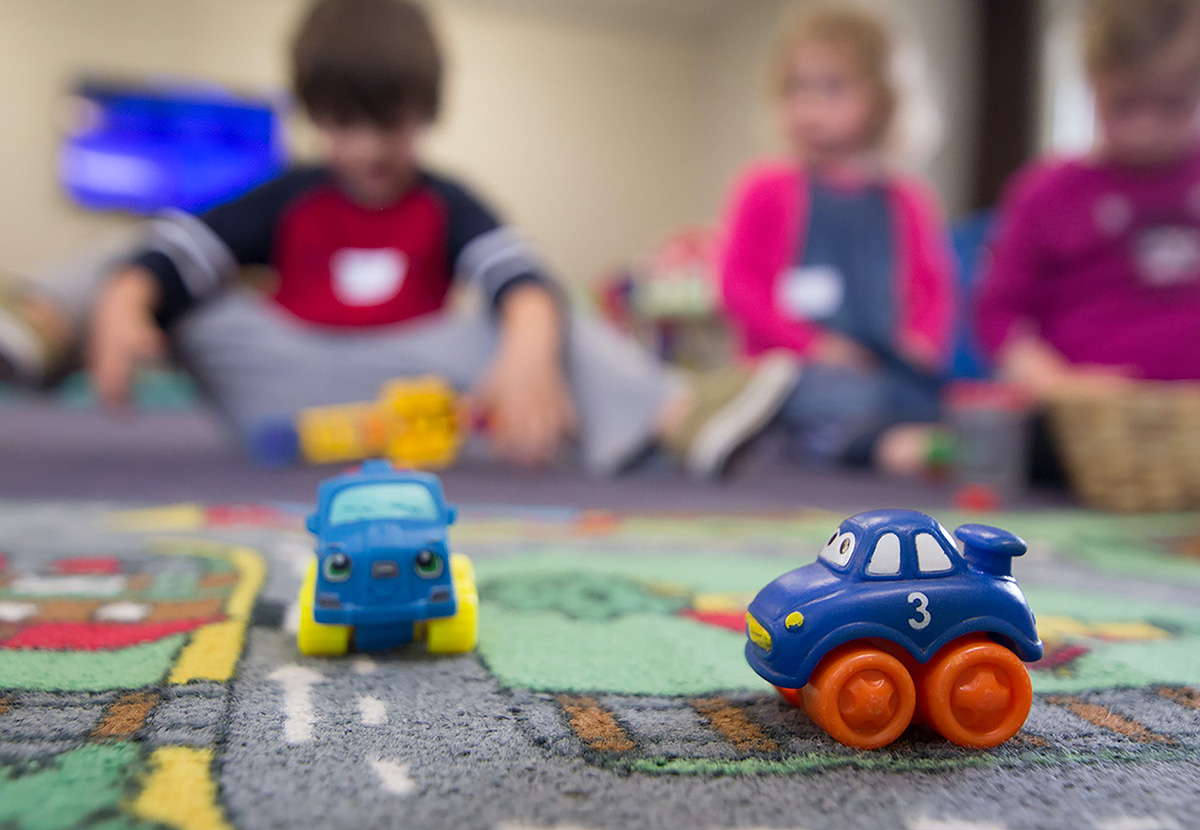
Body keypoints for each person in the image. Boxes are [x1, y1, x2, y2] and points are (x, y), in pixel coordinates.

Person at [0, 0, 798, 478]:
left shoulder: (447, 200)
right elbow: (175, 254)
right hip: (276, 378)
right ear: (316, 116)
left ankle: (675, 417)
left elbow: (518, 279)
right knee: (140, 257)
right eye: (345, 125)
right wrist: (127, 303)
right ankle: (39, 322)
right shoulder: (288, 194)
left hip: (402, 388)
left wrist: (524, 353)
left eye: (393, 125)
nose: (371, 150)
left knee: (540, 309)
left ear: (426, 112)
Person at [716, 1, 955, 476]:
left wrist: (920, 341)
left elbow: (933, 288)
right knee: (808, 393)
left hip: (876, 366)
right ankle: (860, 444)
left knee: (930, 396)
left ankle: (856, 440)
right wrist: (815, 348)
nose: (809, 104)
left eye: (832, 88)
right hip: (791, 369)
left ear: (882, 99)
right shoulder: (766, 188)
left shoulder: (906, 200)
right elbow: (739, 288)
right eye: (797, 87)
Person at [978, 0, 1200, 395]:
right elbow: (1000, 315)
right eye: (1124, 105)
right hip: (1080, 423)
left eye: (1172, 105)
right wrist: (1057, 383)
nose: (1145, 130)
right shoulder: (1047, 192)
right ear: (1092, 84)